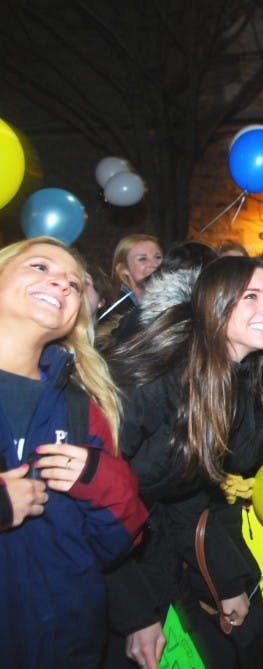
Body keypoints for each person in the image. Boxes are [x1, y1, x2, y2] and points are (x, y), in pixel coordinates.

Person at [104, 256, 263, 669]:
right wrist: (134, 613)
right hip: (104, 565)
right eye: (251, 296)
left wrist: (224, 585)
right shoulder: (160, 371)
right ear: (215, 303)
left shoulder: (233, 381)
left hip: (159, 545)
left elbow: (187, 490)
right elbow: (91, 499)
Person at [0, 237, 147, 667]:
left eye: (74, 284)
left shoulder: (81, 404)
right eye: (41, 268)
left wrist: (102, 480)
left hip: (68, 644)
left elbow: (117, 544)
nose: (62, 285)